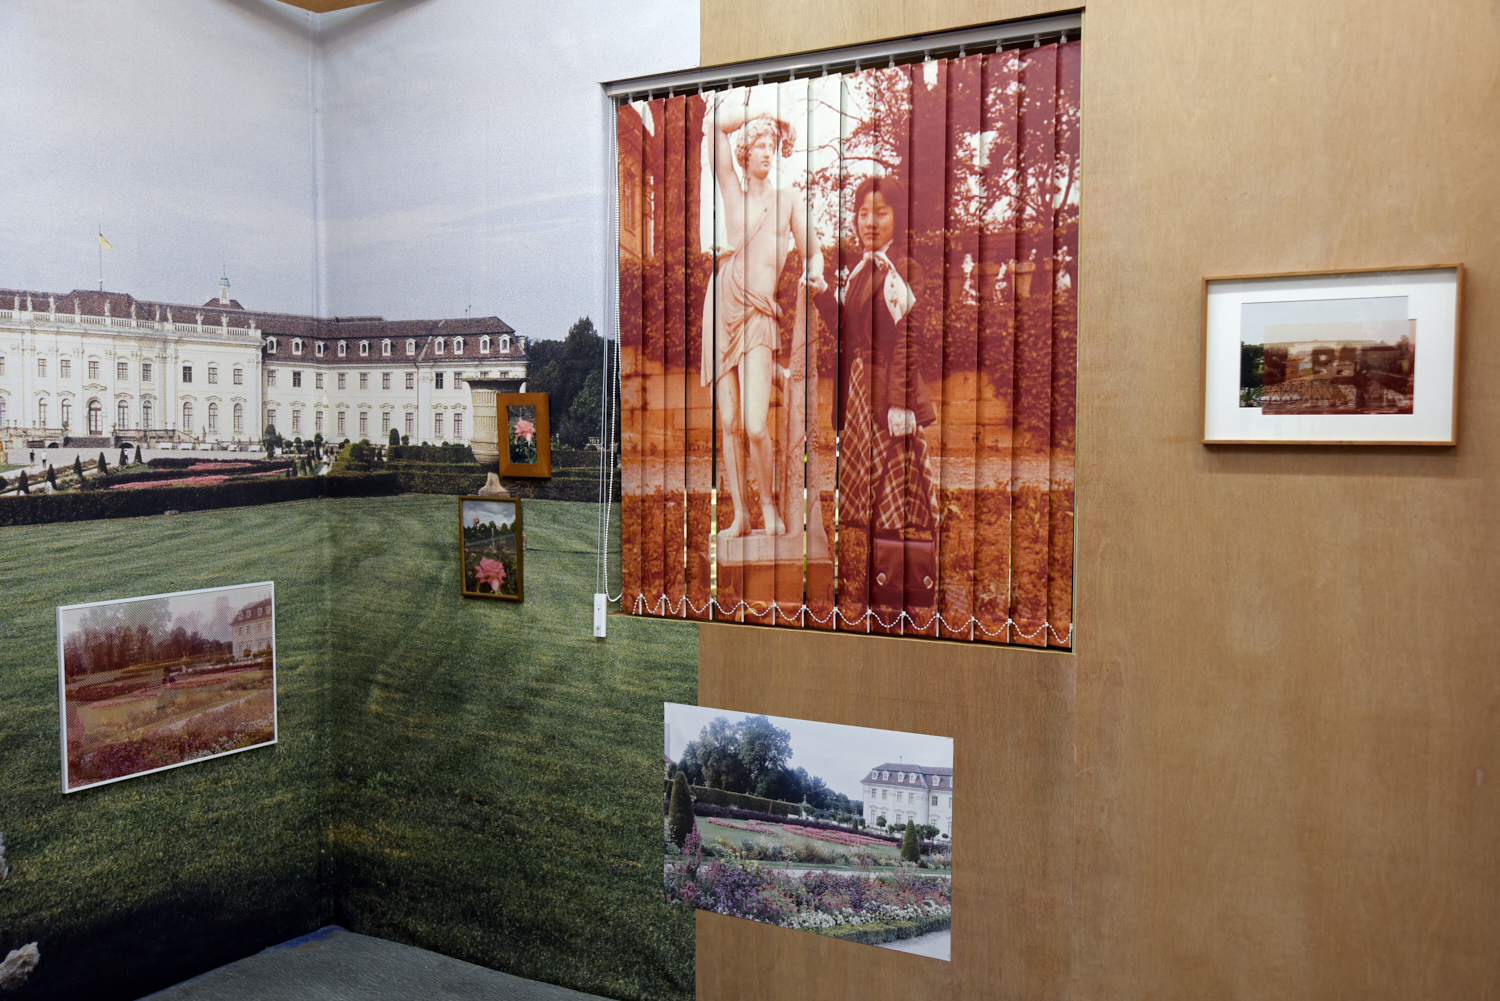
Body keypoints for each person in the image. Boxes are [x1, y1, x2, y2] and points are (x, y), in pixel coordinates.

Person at [701, 99, 826, 538]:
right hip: (722, 306)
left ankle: (769, 506)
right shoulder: (732, 195)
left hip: (758, 315)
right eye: (759, 144)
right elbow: (712, 124)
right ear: (744, 151)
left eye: (771, 145)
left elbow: (814, 253)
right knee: (729, 423)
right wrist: (768, 116)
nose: (767, 152)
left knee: (755, 425)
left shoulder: (787, 200)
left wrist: (815, 273)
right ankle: (741, 515)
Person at [837, 175, 939, 611]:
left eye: (880, 212)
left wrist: (900, 402)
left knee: (895, 492)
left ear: (897, 217)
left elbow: (909, 340)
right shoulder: (861, 270)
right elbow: (849, 332)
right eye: (863, 213)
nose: (870, 221)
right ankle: (878, 586)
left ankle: (902, 592)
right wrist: (821, 295)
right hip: (863, 392)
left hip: (888, 393)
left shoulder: (904, 270)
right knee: (873, 494)